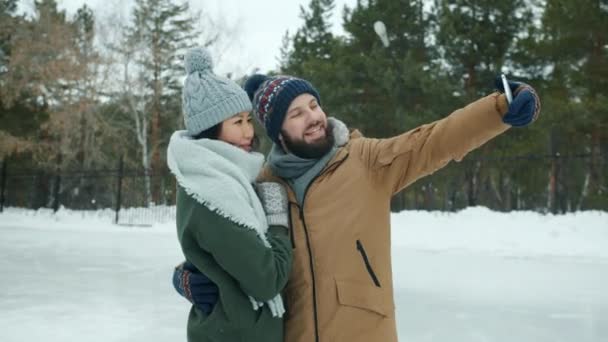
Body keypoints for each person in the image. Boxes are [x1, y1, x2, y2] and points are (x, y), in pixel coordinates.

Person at [174, 72, 541, 341]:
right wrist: (189, 274)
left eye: (313, 105)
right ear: (278, 132)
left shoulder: (365, 161)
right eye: (296, 114)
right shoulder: (265, 184)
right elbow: (227, 238)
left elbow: (434, 141)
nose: (313, 117)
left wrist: (498, 110)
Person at [167, 47, 293, 342]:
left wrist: (188, 270)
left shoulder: (222, 176)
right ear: (210, 130)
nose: (249, 131)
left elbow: (217, 253)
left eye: (249, 119)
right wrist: (276, 221)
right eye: (237, 122)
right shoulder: (214, 190)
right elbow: (266, 281)